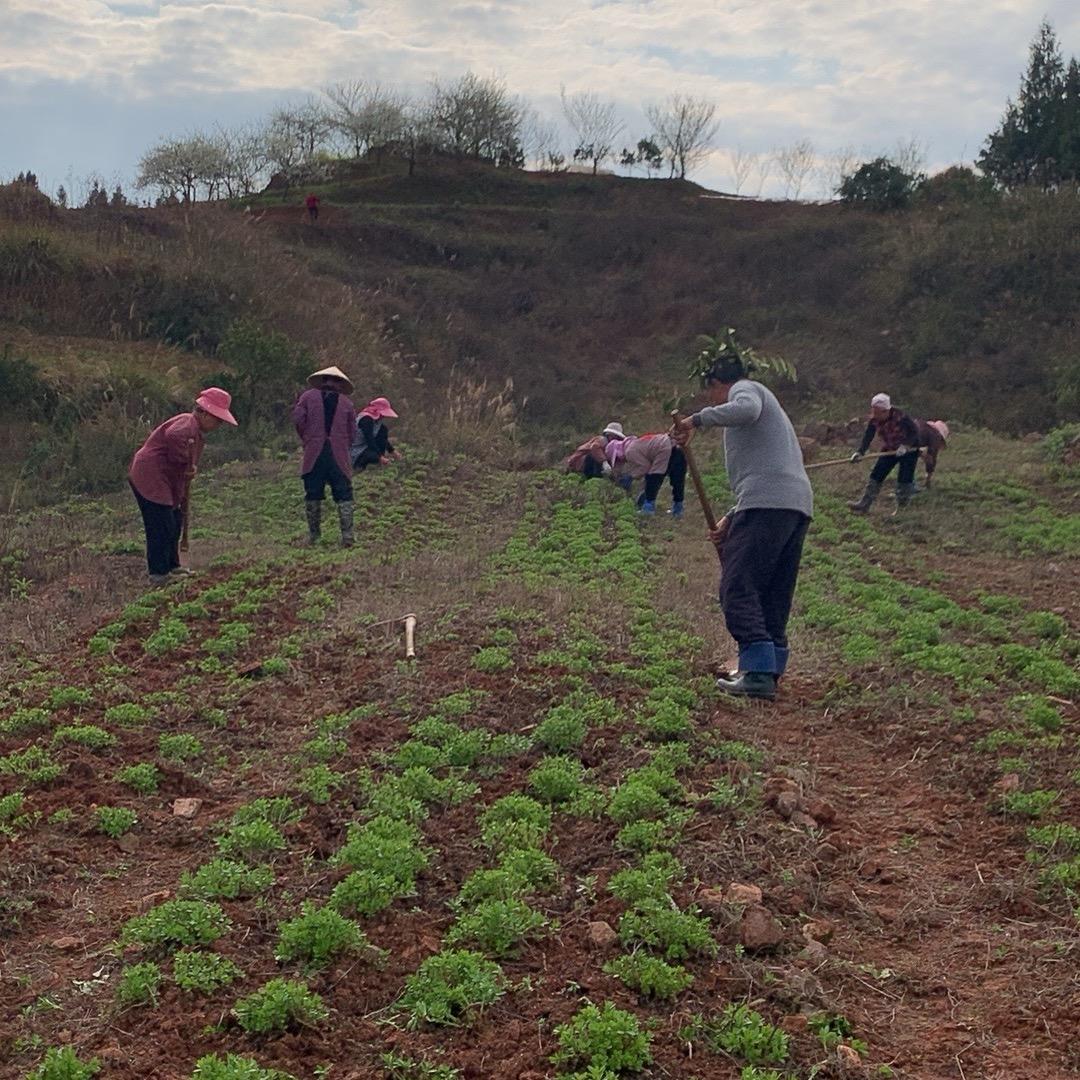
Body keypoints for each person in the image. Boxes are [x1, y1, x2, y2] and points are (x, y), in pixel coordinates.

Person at [674, 354, 813, 701]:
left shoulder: (747, 391)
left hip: (768, 502)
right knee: (773, 591)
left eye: (710, 393)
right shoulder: (767, 407)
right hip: (792, 505)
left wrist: (695, 419)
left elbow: (745, 408)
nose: (711, 400)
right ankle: (770, 665)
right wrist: (734, 515)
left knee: (737, 586)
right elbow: (766, 467)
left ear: (717, 384)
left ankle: (758, 672)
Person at [128, 388, 237, 585]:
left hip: (164, 479)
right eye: (217, 419)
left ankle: (172, 565)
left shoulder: (195, 432)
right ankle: (158, 574)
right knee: (161, 523)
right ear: (204, 412)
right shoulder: (187, 424)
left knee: (174, 519)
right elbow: (173, 437)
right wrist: (185, 461)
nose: (218, 424)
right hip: (149, 476)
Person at [293, 366, 357, 546]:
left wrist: (308, 438)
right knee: (344, 494)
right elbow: (352, 432)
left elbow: (298, 420)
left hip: (314, 453)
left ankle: (314, 536)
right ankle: (347, 537)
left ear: (323, 380)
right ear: (339, 383)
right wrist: (343, 444)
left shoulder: (306, 397)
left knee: (313, 493)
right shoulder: (347, 404)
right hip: (339, 454)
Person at [848, 393, 922, 513]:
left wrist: (906, 445)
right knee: (876, 474)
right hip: (890, 449)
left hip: (909, 450)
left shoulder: (901, 417)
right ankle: (864, 504)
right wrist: (860, 452)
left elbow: (915, 432)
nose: (875, 415)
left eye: (877, 413)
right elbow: (868, 436)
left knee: (904, 479)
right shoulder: (874, 420)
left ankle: (901, 509)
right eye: (873, 411)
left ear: (886, 411)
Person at [605, 432, 677, 514]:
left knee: (654, 476)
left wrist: (631, 476)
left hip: (663, 447)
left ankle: (648, 508)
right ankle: (677, 509)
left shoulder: (629, 451)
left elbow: (645, 467)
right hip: (670, 444)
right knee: (665, 477)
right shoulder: (632, 445)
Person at [352, 397, 401, 470]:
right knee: (373, 457)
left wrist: (392, 451)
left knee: (383, 430)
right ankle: (361, 466)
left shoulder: (378, 424)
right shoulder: (366, 420)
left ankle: (378, 460)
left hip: (366, 447)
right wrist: (379, 457)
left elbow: (382, 438)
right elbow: (369, 439)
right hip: (355, 450)